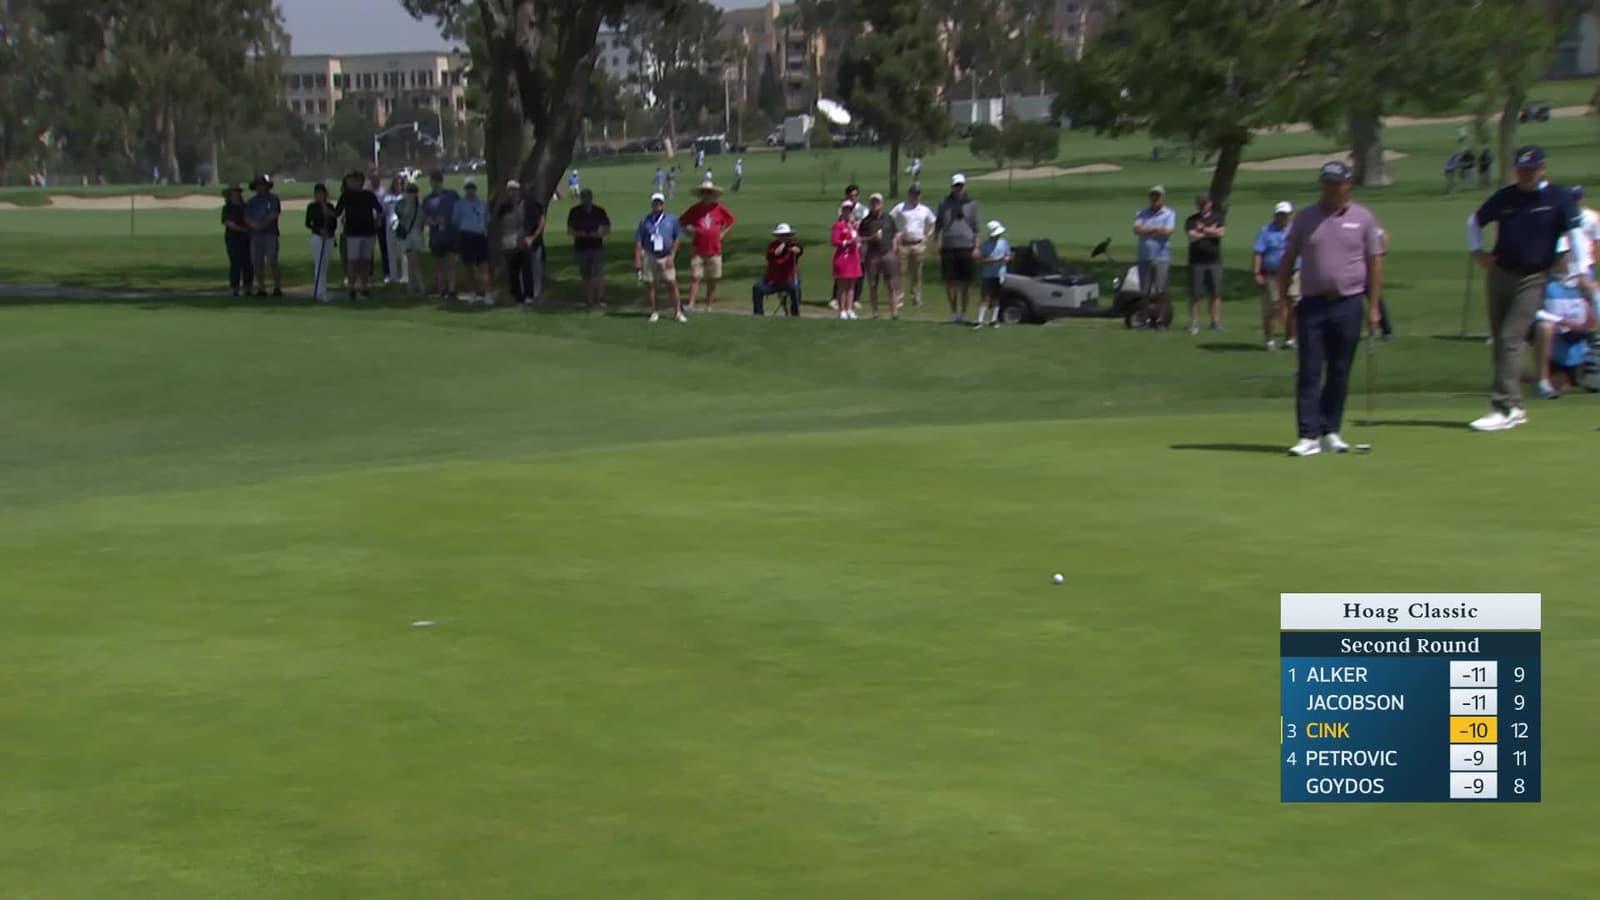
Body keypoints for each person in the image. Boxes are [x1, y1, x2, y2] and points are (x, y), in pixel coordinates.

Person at [1465, 145, 1585, 431]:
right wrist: (1477, 250)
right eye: (1521, 170)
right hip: (1499, 274)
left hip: (1533, 278)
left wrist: (1578, 268)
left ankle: (1501, 407)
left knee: (1510, 338)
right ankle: (1516, 406)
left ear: (1542, 169)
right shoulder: (1506, 197)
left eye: (1531, 170)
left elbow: (1574, 233)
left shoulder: (1558, 197)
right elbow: (1474, 220)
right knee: (1500, 343)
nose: (1526, 175)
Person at [1278, 161, 1385, 457]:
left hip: (1349, 303)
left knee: (1339, 370)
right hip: (1311, 303)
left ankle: (1330, 430)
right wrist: (1282, 298)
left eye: (1336, 183)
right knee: (1310, 370)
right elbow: (1288, 258)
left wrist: (1374, 306)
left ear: (1347, 184)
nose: (1330, 188)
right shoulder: (1305, 218)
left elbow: (1375, 262)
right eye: (1326, 182)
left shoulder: (1363, 218)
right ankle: (1307, 434)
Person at [1533, 236, 1596, 398]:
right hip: (1557, 349)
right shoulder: (1542, 282)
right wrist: (1562, 322)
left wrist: (1592, 296)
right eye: (1556, 256)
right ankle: (1542, 381)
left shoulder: (1583, 283)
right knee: (1544, 326)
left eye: (1562, 255)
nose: (1558, 260)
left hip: (1582, 348)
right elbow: (1533, 311)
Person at [680, 180, 735, 311]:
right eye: (704, 193)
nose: (706, 195)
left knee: (713, 279)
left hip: (714, 250)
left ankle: (709, 304)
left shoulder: (719, 208)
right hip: (698, 249)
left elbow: (731, 221)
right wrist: (689, 231)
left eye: (709, 193)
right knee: (695, 277)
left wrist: (723, 233)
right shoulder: (694, 209)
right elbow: (681, 221)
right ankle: (691, 303)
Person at [1251, 201, 1298, 350]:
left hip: (1294, 273)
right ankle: (1270, 341)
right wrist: (1257, 272)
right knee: (1272, 307)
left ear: (1291, 215)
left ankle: (1290, 339)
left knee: (1294, 306)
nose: (1282, 217)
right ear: (1275, 215)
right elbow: (1258, 252)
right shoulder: (1266, 231)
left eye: (1285, 214)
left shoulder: (1296, 230)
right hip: (1273, 275)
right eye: (1280, 214)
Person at [634, 191, 685, 323]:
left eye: (660, 203)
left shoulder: (671, 219)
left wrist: (672, 256)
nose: (657, 205)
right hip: (650, 255)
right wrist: (638, 258)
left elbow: (677, 238)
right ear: (652, 204)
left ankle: (678, 312)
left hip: (666, 256)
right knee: (649, 284)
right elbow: (639, 240)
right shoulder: (645, 220)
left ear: (663, 204)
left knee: (671, 283)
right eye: (655, 203)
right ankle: (653, 311)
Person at [934, 173, 979, 323]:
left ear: (964, 186)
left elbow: (975, 227)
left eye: (960, 186)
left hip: (966, 245)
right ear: (952, 187)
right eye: (955, 186)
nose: (958, 189)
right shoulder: (944, 203)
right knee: (950, 281)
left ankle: (964, 312)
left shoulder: (971, 204)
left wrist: (976, 246)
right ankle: (953, 312)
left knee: (965, 282)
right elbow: (938, 224)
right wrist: (936, 241)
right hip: (948, 245)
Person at [335, 171, 385, 299]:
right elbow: (337, 212)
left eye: (356, 180)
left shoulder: (368, 195)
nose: (353, 183)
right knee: (353, 261)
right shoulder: (346, 195)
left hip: (368, 231)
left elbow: (379, 210)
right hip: (352, 232)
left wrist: (377, 223)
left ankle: (364, 286)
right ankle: (352, 287)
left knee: (366, 260)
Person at [1133, 185, 1177, 328]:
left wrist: (1149, 230)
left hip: (1162, 257)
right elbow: (1137, 229)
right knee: (1144, 291)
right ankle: (1144, 319)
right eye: (1152, 196)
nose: (1155, 199)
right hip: (1144, 257)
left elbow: (1167, 232)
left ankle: (1160, 319)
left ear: (1163, 198)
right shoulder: (1141, 213)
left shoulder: (1169, 213)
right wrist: (1156, 229)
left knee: (1161, 290)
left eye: (1157, 196)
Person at [497, 179, 545, 307]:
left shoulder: (529, 204)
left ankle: (529, 296)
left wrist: (532, 237)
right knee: (513, 271)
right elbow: (500, 224)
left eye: (514, 190)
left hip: (524, 241)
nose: (512, 193)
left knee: (526, 269)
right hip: (509, 243)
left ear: (519, 191)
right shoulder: (504, 207)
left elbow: (541, 219)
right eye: (510, 190)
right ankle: (517, 297)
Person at [889, 184, 937, 308]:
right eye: (913, 194)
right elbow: (889, 220)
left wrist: (927, 235)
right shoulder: (901, 207)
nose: (915, 196)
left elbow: (933, 222)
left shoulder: (924, 209)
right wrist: (896, 234)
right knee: (900, 272)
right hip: (903, 243)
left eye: (917, 194)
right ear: (909, 194)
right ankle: (899, 297)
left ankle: (916, 297)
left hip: (918, 244)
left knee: (917, 273)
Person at [1185, 193, 1226, 333]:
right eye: (1200, 203)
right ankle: (1194, 323)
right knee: (1195, 294)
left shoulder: (1218, 217)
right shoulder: (1191, 219)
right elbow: (1191, 236)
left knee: (1215, 293)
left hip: (1214, 260)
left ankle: (1215, 321)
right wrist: (1210, 231)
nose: (1203, 205)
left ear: (1210, 203)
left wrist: (1202, 229)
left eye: (1205, 203)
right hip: (1196, 261)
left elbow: (1220, 233)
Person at [567, 188, 612, 310]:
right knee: (585, 274)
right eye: (583, 198)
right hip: (581, 247)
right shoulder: (575, 212)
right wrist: (579, 233)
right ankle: (589, 299)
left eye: (588, 198)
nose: (586, 200)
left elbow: (607, 228)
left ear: (591, 198)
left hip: (596, 246)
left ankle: (601, 298)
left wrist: (599, 233)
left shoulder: (599, 211)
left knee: (598, 272)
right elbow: (570, 230)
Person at [450, 178, 493, 305]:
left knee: (483, 267)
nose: (470, 191)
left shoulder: (482, 204)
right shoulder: (459, 204)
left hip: (479, 236)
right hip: (466, 236)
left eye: (472, 188)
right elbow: (455, 221)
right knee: (468, 267)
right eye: (468, 188)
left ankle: (488, 294)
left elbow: (487, 220)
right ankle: (472, 293)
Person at [422, 170, 460, 299]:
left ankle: (452, 289)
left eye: (438, 181)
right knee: (438, 264)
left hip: (451, 234)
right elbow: (424, 218)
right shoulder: (428, 199)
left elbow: (458, 212)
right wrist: (432, 221)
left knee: (451, 262)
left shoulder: (452, 195)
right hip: (436, 236)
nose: (436, 184)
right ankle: (441, 289)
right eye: (434, 181)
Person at [861, 192, 899, 318]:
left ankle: (894, 313)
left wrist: (894, 249)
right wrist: (872, 238)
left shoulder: (888, 218)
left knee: (892, 284)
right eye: (872, 202)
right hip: (872, 255)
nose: (875, 204)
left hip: (887, 253)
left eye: (877, 202)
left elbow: (894, 234)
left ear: (882, 204)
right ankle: (875, 312)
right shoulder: (866, 221)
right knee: (873, 284)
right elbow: (861, 239)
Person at [244, 174, 282, 298]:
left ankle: (277, 287)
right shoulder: (251, 202)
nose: (261, 187)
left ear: (267, 186)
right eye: (258, 185)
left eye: (263, 185)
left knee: (273, 261)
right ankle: (261, 288)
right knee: (257, 262)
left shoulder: (273, 199)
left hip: (270, 234)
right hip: (255, 235)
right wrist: (254, 225)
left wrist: (261, 224)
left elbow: (274, 214)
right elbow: (246, 217)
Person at [753, 223, 803, 316]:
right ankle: (758, 313)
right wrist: (782, 246)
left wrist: (796, 250)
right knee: (757, 287)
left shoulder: (793, 244)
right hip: (772, 281)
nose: (783, 237)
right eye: (781, 235)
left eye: (786, 235)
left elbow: (799, 250)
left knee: (795, 289)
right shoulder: (772, 246)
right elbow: (774, 253)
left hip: (788, 280)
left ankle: (795, 313)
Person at [972, 220, 1011, 329]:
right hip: (988, 274)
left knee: (996, 297)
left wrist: (1005, 259)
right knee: (985, 297)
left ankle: (993, 320)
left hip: (1000, 274)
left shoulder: (1004, 243)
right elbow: (979, 259)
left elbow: (1008, 256)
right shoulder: (985, 245)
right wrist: (990, 261)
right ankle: (980, 320)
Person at [304, 183, 339, 302]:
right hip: (317, 237)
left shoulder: (330, 206)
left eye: (322, 193)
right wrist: (319, 230)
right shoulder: (312, 207)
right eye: (318, 193)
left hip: (328, 238)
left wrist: (329, 231)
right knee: (319, 264)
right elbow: (308, 223)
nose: (320, 196)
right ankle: (319, 292)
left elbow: (334, 223)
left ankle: (321, 290)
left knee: (325, 264)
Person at [831, 199, 863, 319]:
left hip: (853, 257)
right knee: (842, 285)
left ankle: (850, 309)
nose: (848, 212)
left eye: (850, 210)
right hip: (842, 257)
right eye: (846, 210)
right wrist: (847, 242)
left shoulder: (853, 225)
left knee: (851, 285)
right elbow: (835, 241)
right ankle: (842, 309)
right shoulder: (838, 226)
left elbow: (858, 239)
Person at [220, 184, 253, 297]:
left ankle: (248, 286)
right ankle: (234, 287)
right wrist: (242, 229)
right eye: (234, 192)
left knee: (247, 262)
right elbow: (228, 222)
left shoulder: (245, 206)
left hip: (246, 238)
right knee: (235, 263)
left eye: (238, 192)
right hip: (232, 238)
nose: (236, 194)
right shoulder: (227, 208)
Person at [393, 182, 425, 297]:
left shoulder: (419, 206)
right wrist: (408, 203)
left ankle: (419, 286)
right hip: (405, 236)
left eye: (413, 192)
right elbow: (402, 215)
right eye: (409, 192)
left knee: (414, 262)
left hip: (415, 235)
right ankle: (412, 286)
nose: (411, 194)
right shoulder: (401, 204)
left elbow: (421, 222)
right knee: (406, 262)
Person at [369, 171, 394, 283]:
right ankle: (369, 273)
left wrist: (379, 219)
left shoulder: (384, 192)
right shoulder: (368, 191)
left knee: (384, 248)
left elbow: (385, 208)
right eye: (373, 178)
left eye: (377, 178)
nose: (375, 181)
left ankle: (387, 273)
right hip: (369, 221)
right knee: (369, 249)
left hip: (381, 221)